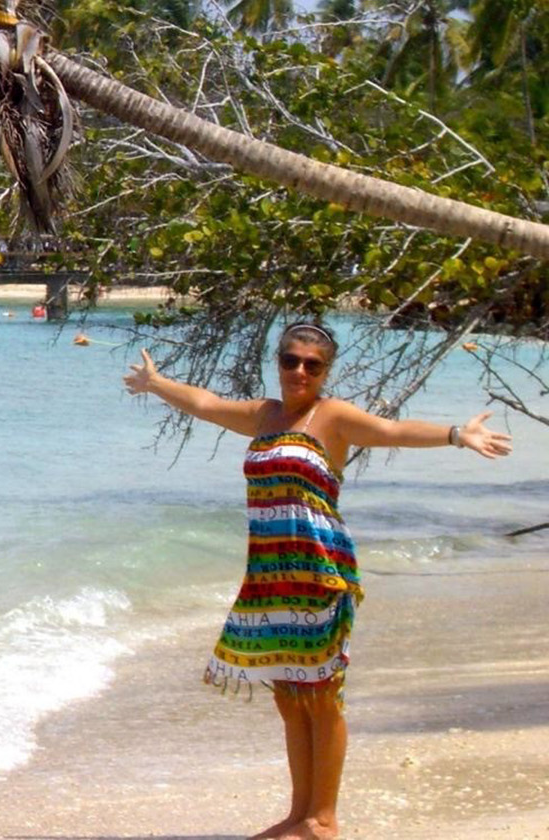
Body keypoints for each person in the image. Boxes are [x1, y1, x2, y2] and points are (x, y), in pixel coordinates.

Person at [123, 321, 512, 840]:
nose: (300, 371)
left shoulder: (333, 418)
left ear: (326, 371)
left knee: (322, 694)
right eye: (291, 361)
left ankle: (322, 820)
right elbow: (207, 403)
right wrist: (156, 384)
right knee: (289, 694)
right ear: (279, 363)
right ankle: (298, 814)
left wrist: (456, 435)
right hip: (269, 572)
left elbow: (393, 431)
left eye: (313, 364)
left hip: (321, 571)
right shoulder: (264, 416)